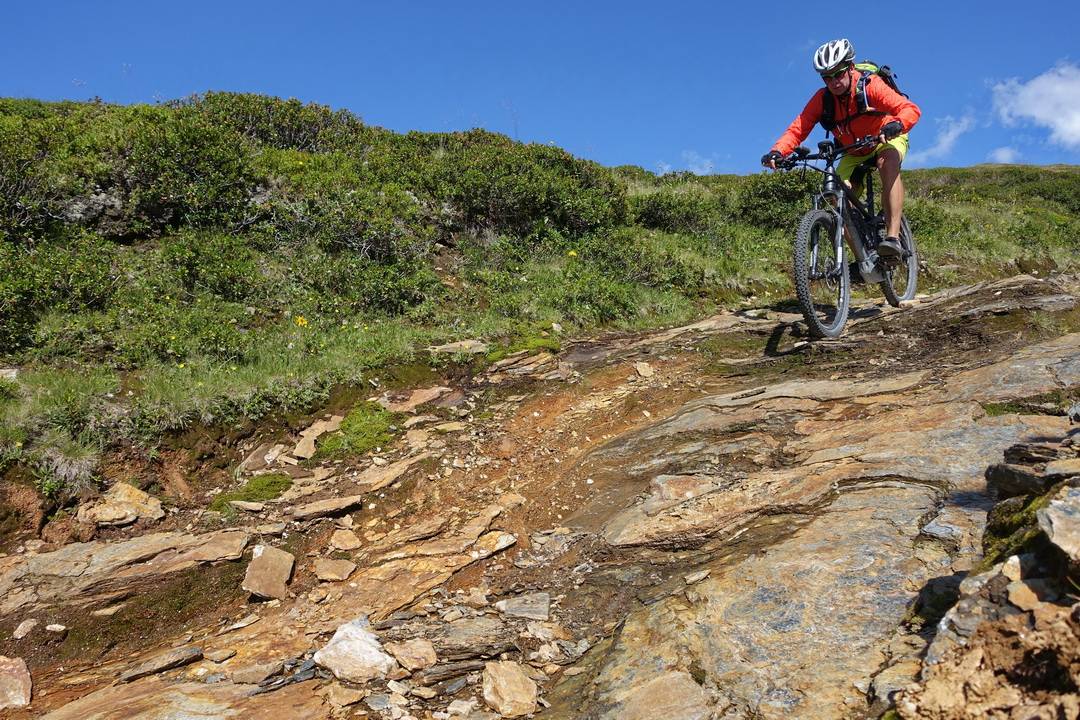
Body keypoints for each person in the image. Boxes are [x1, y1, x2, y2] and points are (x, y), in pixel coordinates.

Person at [761, 38, 921, 258]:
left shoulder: (869, 85)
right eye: (827, 77)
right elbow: (798, 128)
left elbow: (909, 108)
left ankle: (892, 238)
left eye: (838, 74)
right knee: (837, 198)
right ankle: (863, 260)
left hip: (884, 138)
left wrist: (898, 124)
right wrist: (778, 151)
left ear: (851, 67)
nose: (834, 82)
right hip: (852, 150)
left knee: (887, 162)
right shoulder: (822, 98)